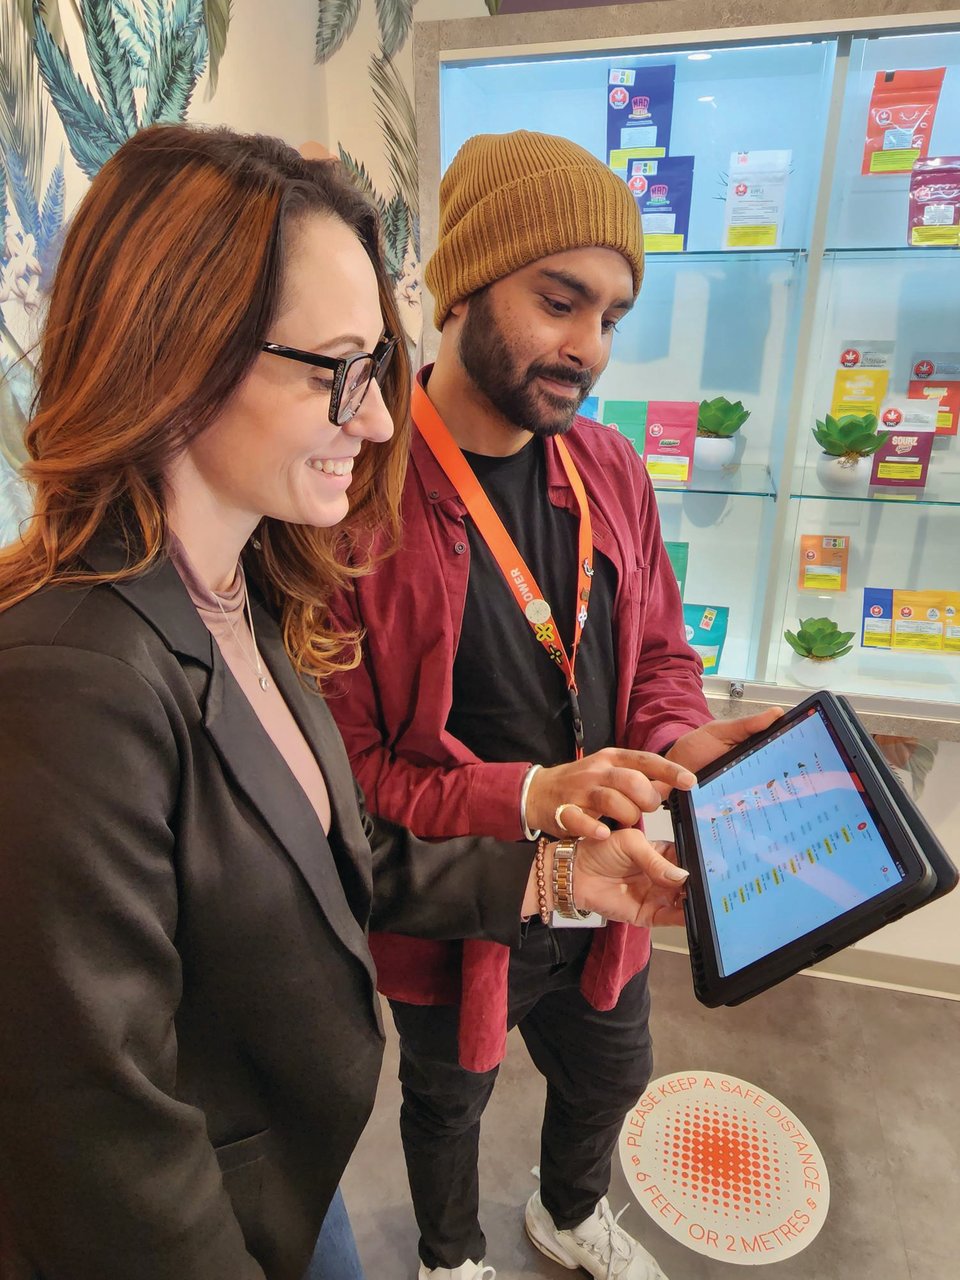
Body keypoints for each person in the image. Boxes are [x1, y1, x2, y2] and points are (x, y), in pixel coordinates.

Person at [0, 125, 699, 1280]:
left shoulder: (253, 593)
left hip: (295, 1170)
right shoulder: (67, 687)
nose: (376, 420)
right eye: (338, 369)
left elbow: (340, 852)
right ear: (179, 355)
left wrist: (562, 875)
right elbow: (104, 1157)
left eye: (375, 367)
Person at [326, 129, 782, 1280]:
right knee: (446, 1095)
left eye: (613, 317)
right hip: (453, 901)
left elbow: (662, 657)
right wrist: (532, 796)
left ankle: (570, 1212)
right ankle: (448, 1256)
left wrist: (682, 742)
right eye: (559, 300)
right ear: (466, 281)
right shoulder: (354, 506)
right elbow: (357, 778)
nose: (588, 349)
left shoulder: (612, 467)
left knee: (612, 1068)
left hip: (611, 884)